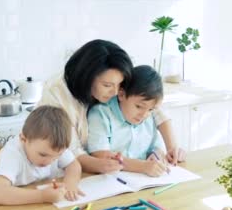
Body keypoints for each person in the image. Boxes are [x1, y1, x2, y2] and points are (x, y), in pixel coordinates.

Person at [37, 39, 186, 174]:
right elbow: (72, 151)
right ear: (87, 77)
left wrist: (172, 147)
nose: (115, 92)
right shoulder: (56, 95)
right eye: (107, 85)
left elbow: (150, 107)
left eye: (119, 85)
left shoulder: (114, 78)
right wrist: (101, 163)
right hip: (63, 173)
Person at [0, 105, 84, 205]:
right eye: (43, 155)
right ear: (23, 139)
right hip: (17, 209)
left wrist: (70, 183)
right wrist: (42, 196)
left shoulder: (53, 147)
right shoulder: (12, 153)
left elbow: (73, 164)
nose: (49, 162)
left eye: (58, 156)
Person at [87, 65, 170, 177]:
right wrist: (143, 166)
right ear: (121, 94)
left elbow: (157, 147)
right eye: (138, 106)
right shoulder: (100, 114)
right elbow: (100, 155)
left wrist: (156, 155)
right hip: (108, 180)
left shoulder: (148, 117)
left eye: (150, 109)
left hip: (142, 181)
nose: (144, 115)